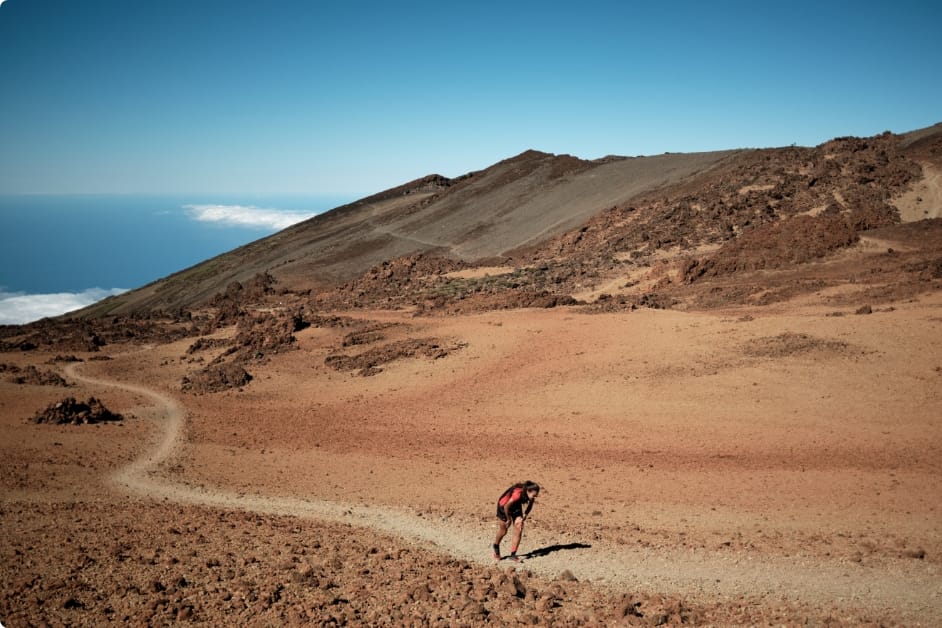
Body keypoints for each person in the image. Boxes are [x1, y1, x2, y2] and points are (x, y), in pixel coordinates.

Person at [492, 481, 540, 561]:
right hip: (504, 506)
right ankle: (496, 546)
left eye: (536, 496)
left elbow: (530, 505)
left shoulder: (531, 495)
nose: (535, 498)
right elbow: (506, 506)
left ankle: (513, 555)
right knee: (503, 531)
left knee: (519, 527)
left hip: (515, 506)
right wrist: (508, 519)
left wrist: (525, 514)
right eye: (534, 495)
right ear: (528, 491)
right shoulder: (517, 495)